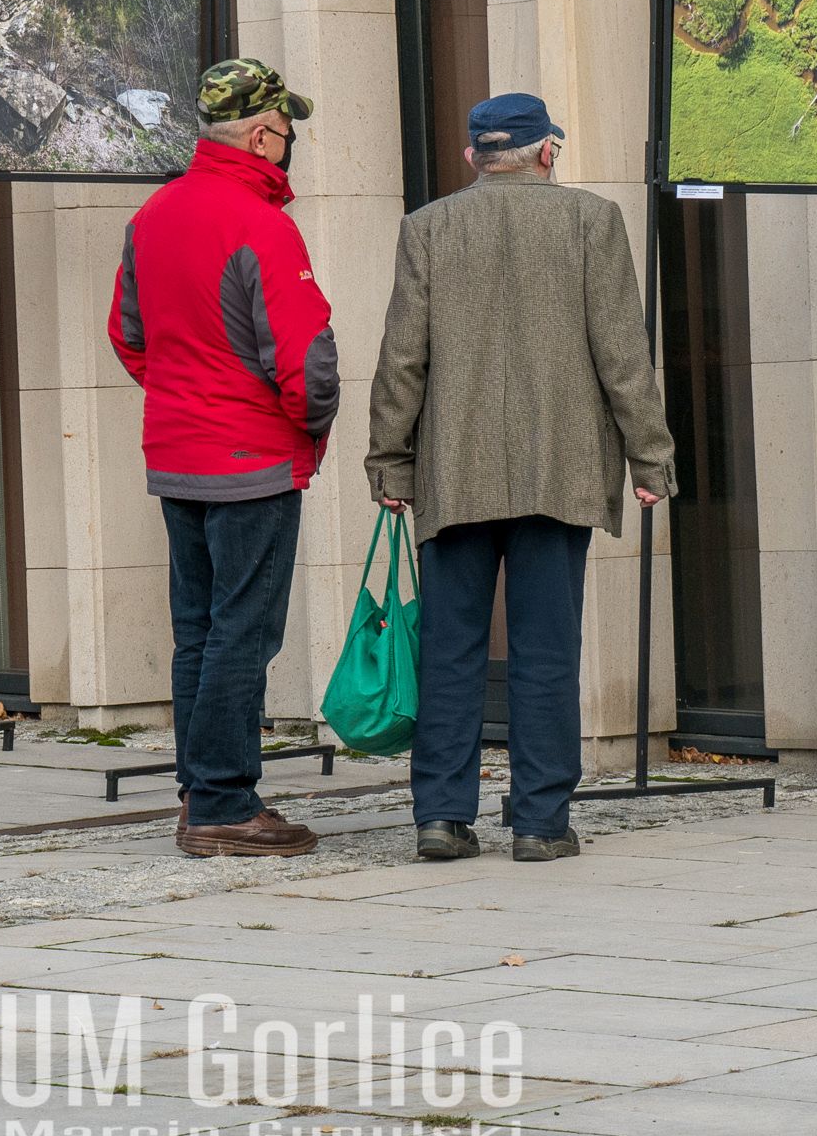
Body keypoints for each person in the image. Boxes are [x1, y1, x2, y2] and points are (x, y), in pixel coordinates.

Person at [366, 93, 676, 863]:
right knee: (545, 650)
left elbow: (401, 358)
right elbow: (623, 355)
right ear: (547, 152)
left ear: (474, 156)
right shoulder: (591, 221)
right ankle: (540, 821)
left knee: (450, 650)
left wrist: (389, 461)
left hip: (454, 469)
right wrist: (650, 457)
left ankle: (441, 815)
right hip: (560, 467)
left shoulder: (427, 227)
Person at [108, 57, 338, 858]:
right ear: (265, 133)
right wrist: (301, 430)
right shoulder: (261, 223)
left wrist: (184, 400)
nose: (288, 145)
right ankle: (224, 804)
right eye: (287, 131)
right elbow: (307, 359)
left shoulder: (155, 214)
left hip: (179, 454)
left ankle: (199, 791)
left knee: (199, 632)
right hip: (251, 459)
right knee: (243, 632)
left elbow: (130, 337)